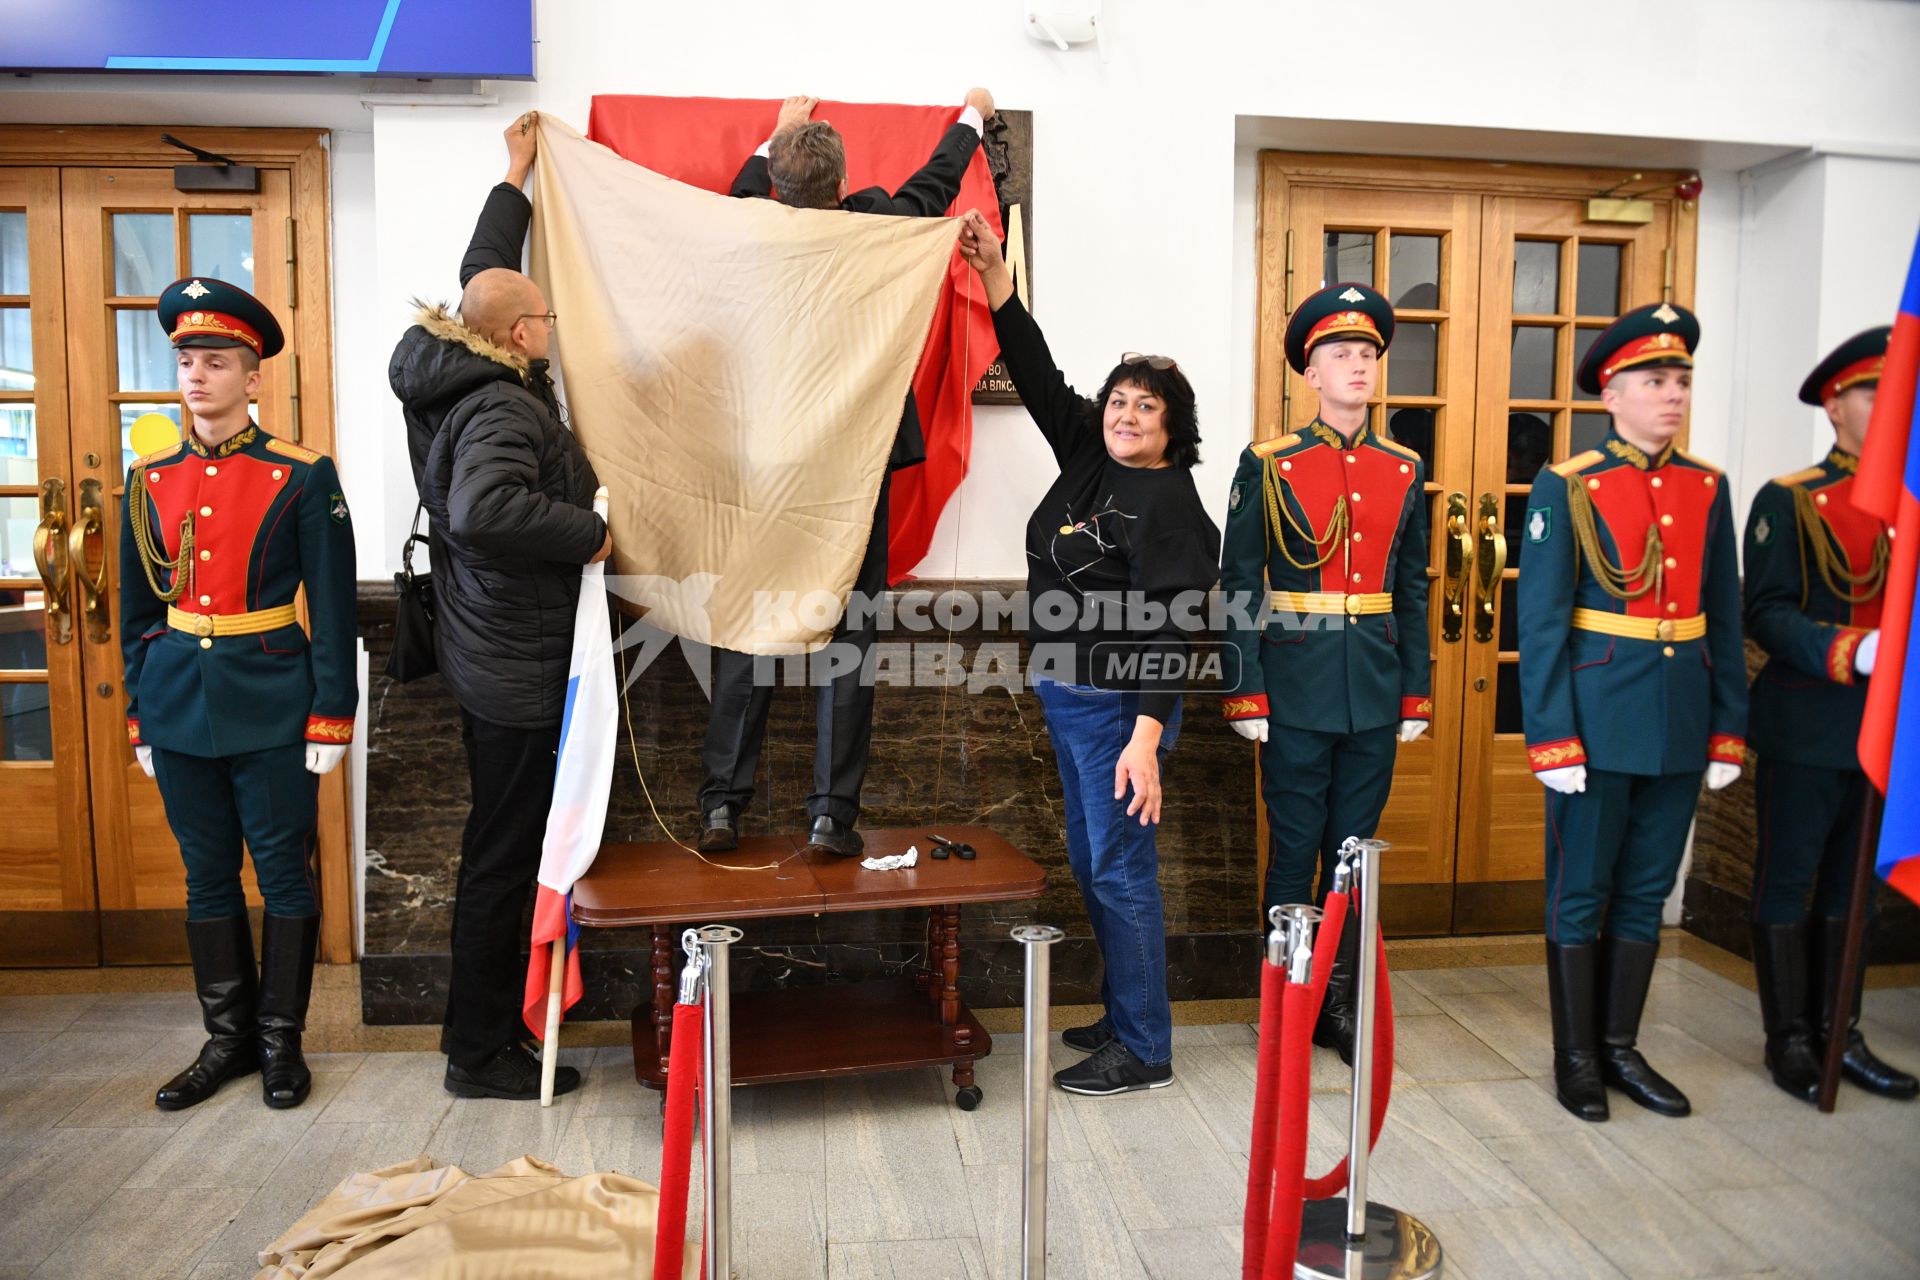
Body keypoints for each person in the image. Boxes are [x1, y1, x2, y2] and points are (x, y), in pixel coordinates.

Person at [955, 209, 1220, 1096]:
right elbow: (1035, 372)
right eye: (1118, 400)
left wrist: (1147, 736)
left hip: (1119, 706)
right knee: (1092, 858)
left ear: (1173, 426)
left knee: (1119, 865)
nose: (1125, 413)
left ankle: (1145, 1048)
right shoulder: (1087, 455)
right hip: (1069, 693)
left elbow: (1172, 626)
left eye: (1147, 406)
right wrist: (998, 280)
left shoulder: (1170, 502)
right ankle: (1122, 1011)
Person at [698, 89, 995, 859]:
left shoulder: (747, 228)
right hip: (855, 470)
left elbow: (739, 193)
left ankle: (723, 808)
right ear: (841, 183)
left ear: (777, 184)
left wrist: (776, 135)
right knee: (849, 642)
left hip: (762, 470)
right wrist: (973, 116)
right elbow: (934, 184)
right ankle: (831, 815)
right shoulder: (875, 226)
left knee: (747, 630)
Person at [389, 112, 611, 1101]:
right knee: (503, 854)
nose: (556, 332)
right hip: (514, 666)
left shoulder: (463, 362)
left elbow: (485, 271)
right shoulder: (504, 403)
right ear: (522, 336)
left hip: (494, 650)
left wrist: (512, 180)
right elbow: (486, 508)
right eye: (550, 321)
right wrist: (590, 533)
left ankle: (481, 1040)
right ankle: (479, 1050)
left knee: (501, 845)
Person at [121, 277, 356, 1111]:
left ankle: (279, 1041)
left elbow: (330, 609)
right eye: (187, 359)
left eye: (215, 361)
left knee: (285, 879)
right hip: (180, 700)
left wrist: (333, 712)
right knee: (207, 876)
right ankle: (227, 1040)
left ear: (252, 378)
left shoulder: (301, 474)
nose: (197, 375)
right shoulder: (148, 478)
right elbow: (140, 612)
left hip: (273, 702)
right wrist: (139, 709)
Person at [1517, 301, 1747, 1122]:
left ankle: (1622, 1047)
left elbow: (1724, 611)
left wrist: (1728, 727)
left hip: (1681, 723)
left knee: (1647, 892)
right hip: (1597, 720)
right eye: (1656, 380)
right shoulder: (1569, 487)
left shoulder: (1707, 487)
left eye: (1682, 379)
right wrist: (1552, 738)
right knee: (1582, 892)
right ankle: (1576, 1057)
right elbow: (1540, 626)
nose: (1674, 394)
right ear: (1611, 393)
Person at [1217, 283, 1432, 1065]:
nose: (1357, 366)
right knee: (1296, 846)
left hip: (1373, 690)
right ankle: (1288, 1003)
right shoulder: (1270, 464)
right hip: (1295, 687)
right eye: (1340, 354)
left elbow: (1411, 585)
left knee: (1353, 850)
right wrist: (1245, 687)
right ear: (1309, 373)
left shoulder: (1404, 466)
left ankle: (1338, 1004)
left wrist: (1416, 689)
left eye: (1368, 354)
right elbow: (1240, 583)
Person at [1743, 325, 1916, 1103]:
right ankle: (1789, 1038)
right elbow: (1767, 613)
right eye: (1873, 391)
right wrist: (1852, 650)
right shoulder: (1794, 500)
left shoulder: (1911, 501)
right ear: (1834, 404)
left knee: (1856, 891)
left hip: (1891, 734)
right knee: (1790, 881)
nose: (1889, 405)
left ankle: (1841, 1030)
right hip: (1810, 722)